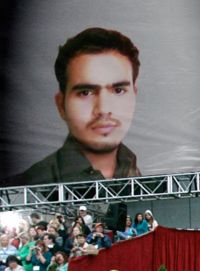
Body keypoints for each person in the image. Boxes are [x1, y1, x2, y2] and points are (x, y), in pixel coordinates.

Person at [16, 28, 141, 186]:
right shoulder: (21, 188)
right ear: (61, 105)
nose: (103, 109)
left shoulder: (149, 182)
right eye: (86, 92)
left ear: (134, 96)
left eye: (118, 90)